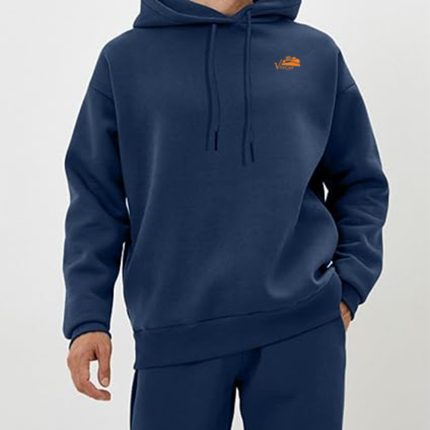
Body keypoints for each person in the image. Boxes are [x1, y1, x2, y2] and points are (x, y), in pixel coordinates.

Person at [63, 0, 389, 428]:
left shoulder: (315, 54)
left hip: (302, 328)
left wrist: (349, 287)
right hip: (174, 333)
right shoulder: (124, 61)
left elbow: (361, 181)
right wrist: (88, 317)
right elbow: (95, 199)